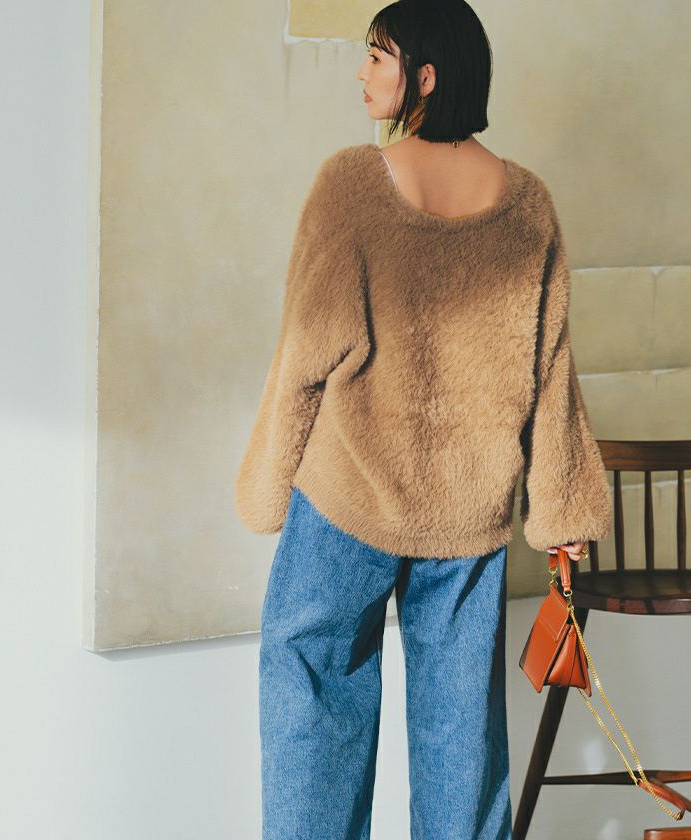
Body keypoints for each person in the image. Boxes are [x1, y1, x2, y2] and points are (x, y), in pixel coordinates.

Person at [235, 1, 613, 838]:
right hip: (467, 516)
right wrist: (563, 513)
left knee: (311, 706)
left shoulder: (351, 185)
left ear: (426, 77)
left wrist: (265, 484)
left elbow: (304, 351)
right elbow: (551, 375)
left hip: (348, 500)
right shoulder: (529, 207)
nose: (362, 71)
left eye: (378, 56)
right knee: (461, 737)